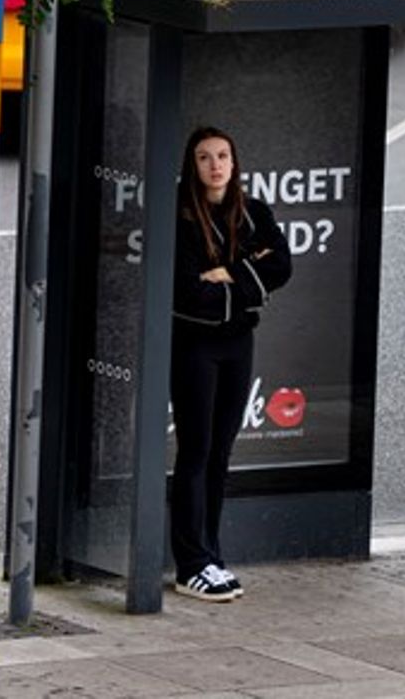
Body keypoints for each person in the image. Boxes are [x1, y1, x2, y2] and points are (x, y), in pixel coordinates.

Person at [168, 124, 292, 602]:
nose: (216, 165)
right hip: (195, 346)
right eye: (204, 157)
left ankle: (212, 554)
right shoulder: (179, 218)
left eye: (223, 156)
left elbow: (281, 264)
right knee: (196, 451)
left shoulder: (253, 211)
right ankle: (191, 563)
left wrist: (230, 273)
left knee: (222, 451)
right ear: (192, 165)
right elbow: (187, 291)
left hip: (239, 342)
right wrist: (244, 285)